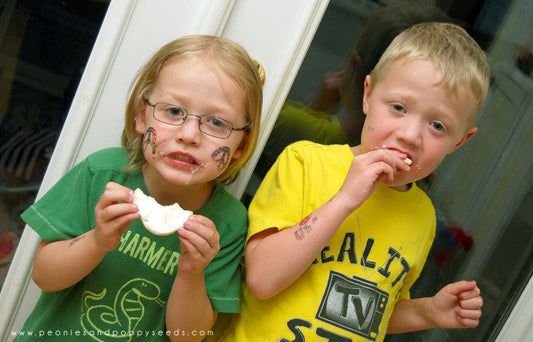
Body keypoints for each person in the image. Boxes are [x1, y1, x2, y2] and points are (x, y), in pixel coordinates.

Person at [222, 22, 489, 341]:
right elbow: (263, 279)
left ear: (460, 142)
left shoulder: (422, 217)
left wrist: (428, 312)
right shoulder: (306, 163)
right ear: (367, 95)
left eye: (437, 126)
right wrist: (343, 200)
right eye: (399, 108)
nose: (410, 135)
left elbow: (371, 313)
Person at [15, 35, 262, 341]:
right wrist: (97, 241)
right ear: (141, 116)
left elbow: (188, 336)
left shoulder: (226, 222)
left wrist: (191, 272)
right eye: (173, 112)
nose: (189, 135)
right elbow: (44, 277)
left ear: (241, 145)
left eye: (216, 123)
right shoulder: (103, 174)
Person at [250, 1, 450, 183]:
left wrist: (315, 106)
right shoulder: (409, 177)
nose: (411, 136)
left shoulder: (290, 127)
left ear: (355, 68)